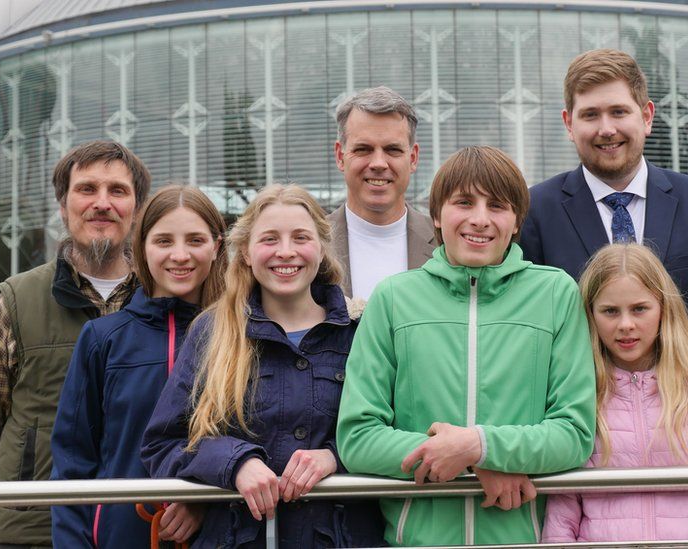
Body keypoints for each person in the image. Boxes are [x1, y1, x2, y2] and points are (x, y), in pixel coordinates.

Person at [337, 146, 596, 546]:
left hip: (522, 538)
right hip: (416, 540)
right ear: (437, 215)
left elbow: (574, 433)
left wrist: (479, 446)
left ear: (516, 222)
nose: (480, 219)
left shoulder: (556, 293)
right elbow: (358, 437)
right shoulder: (392, 298)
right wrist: (468, 461)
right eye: (463, 202)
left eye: (497, 205)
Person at [141, 184, 384, 548]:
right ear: (247, 254)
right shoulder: (213, 332)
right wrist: (234, 463)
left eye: (300, 237)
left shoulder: (361, 332)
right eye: (270, 239)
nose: (285, 252)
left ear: (320, 248)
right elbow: (163, 444)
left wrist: (336, 456)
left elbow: (394, 431)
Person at [0, 140, 150, 548]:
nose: (101, 203)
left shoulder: (163, 298)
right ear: (62, 204)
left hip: (141, 522)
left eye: (117, 191)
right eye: (87, 189)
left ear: (136, 209)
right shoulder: (14, 303)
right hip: (35, 527)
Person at [50, 185, 228, 548]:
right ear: (142, 248)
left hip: (218, 536)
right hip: (119, 536)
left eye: (195, 240)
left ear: (217, 247)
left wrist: (206, 500)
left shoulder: (240, 336)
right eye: (164, 241)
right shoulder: (103, 339)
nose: (180, 255)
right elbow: (73, 461)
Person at [542, 243, 688, 542]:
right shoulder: (578, 395)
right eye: (610, 311)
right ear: (590, 315)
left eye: (639, 308)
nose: (626, 325)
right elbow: (562, 510)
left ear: (663, 309)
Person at [520, 48, 688, 313]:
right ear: (569, 124)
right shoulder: (534, 212)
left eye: (619, 112)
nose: (607, 129)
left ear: (647, 117)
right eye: (590, 115)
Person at [329, 85, 436, 300]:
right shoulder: (308, 244)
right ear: (340, 156)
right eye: (363, 149)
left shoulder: (447, 244)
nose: (378, 163)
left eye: (392, 150)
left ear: (413, 158)